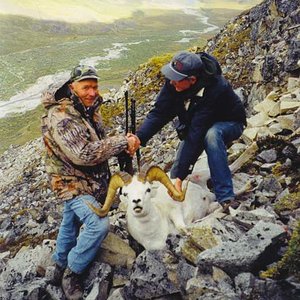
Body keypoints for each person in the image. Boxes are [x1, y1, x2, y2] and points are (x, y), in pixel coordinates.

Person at [41, 65, 139, 299]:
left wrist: (123, 148)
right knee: (98, 224)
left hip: (87, 180)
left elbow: (98, 143)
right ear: (72, 87)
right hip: (70, 183)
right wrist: (121, 143)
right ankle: (72, 273)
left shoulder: (86, 109)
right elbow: (83, 154)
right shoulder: (62, 116)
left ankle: (58, 264)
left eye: (95, 86)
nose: (92, 92)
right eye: (86, 87)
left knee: (70, 220)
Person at [136, 51, 246, 212]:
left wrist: (181, 177)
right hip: (199, 124)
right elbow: (160, 113)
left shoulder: (216, 88)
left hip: (229, 123)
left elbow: (197, 135)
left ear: (192, 80)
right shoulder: (175, 82)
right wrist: (139, 138)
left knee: (211, 136)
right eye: (170, 76)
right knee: (176, 173)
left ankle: (225, 196)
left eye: (176, 79)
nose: (171, 82)